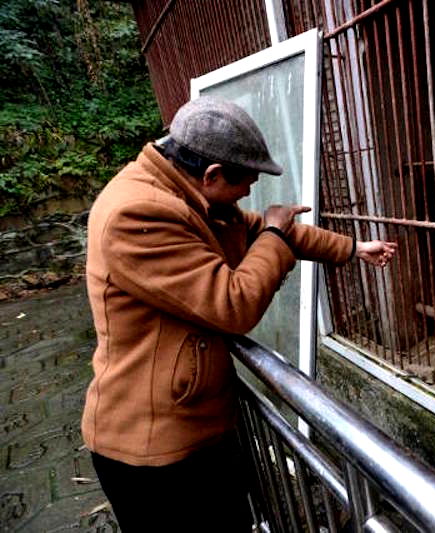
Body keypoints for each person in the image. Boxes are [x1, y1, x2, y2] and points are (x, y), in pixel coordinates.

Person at [81, 96, 397, 532]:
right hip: (156, 449)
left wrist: (352, 248)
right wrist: (272, 231)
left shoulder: (185, 193)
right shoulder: (139, 214)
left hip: (194, 422)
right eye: (244, 183)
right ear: (211, 175)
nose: (248, 194)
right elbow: (233, 304)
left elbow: (259, 230)